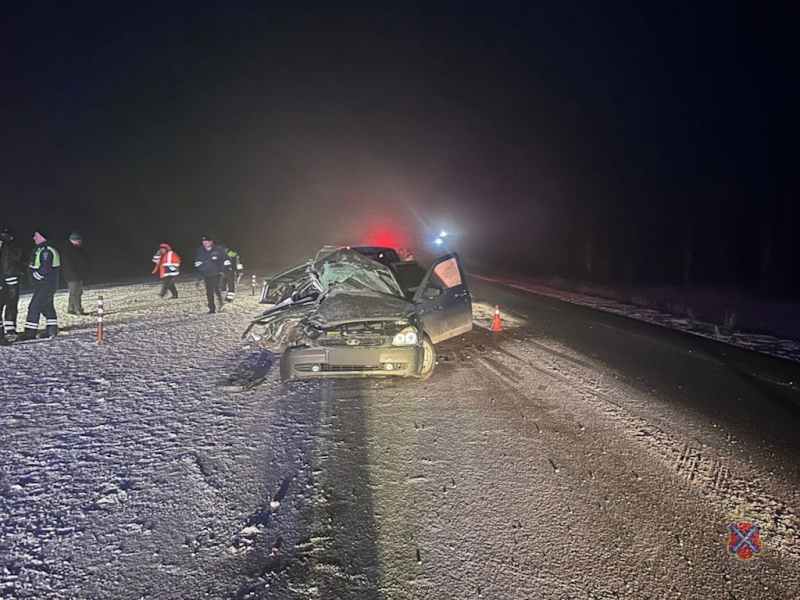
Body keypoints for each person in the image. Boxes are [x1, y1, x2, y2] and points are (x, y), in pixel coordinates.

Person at [18, 231, 60, 340]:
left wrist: (36, 276)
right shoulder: (43, 249)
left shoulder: (46, 251)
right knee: (47, 307)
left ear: (42, 237)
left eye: (36, 236)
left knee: (34, 307)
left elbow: (45, 268)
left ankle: (30, 333)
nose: (33, 238)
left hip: (45, 284)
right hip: (46, 284)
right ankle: (52, 330)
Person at [194, 235, 230, 313]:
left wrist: (225, 264)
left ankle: (221, 302)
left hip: (217, 272)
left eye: (206, 242)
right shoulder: (201, 250)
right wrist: (199, 264)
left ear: (211, 242)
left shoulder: (218, 249)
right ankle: (211, 308)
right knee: (209, 291)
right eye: (203, 242)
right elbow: (198, 259)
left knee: (216, 288)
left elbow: (225, 258)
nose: (205, 244)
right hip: (207, 273)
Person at [0, 227, 25, 337]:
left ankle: (6, 329)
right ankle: (9, 328)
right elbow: (7, 263)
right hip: (10, 278)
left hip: (3, 279)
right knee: (11, 303)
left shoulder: (5, 245)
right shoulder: (7, 246)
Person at [61, 231, 89, 315]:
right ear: (73, 240)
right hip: (73, 275)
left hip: (74, 274)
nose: (80, 243)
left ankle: (71, 308)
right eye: (78, 241)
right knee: (77, 292)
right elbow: (69, 264)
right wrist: (75, 274)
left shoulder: (72, 248)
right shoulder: (69, 250)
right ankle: (78, 309)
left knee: (73, 292)